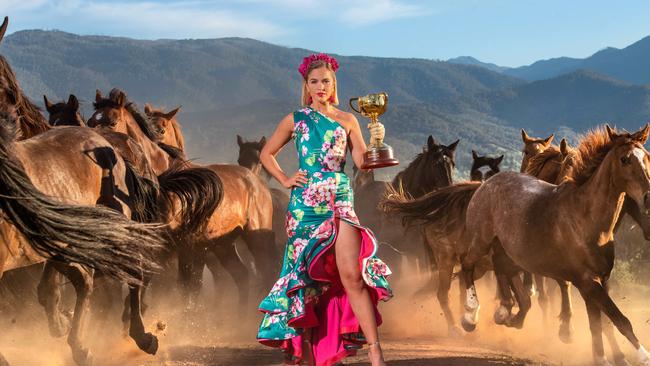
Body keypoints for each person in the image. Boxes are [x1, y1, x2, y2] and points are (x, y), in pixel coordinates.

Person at [256, 53, 393, 366]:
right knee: (305, 280)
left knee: (351, 275)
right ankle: (306, 353)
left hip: (340, 200)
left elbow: (361, 163)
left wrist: (374, 142)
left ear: (334, 85)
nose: (320, 86)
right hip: (304, 207)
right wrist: (285, 178)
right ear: (306, 85)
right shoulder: (295, 119)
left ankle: (375, 351)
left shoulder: (348, 120)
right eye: (314, 81)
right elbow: (266, 154)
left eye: (325, 81)